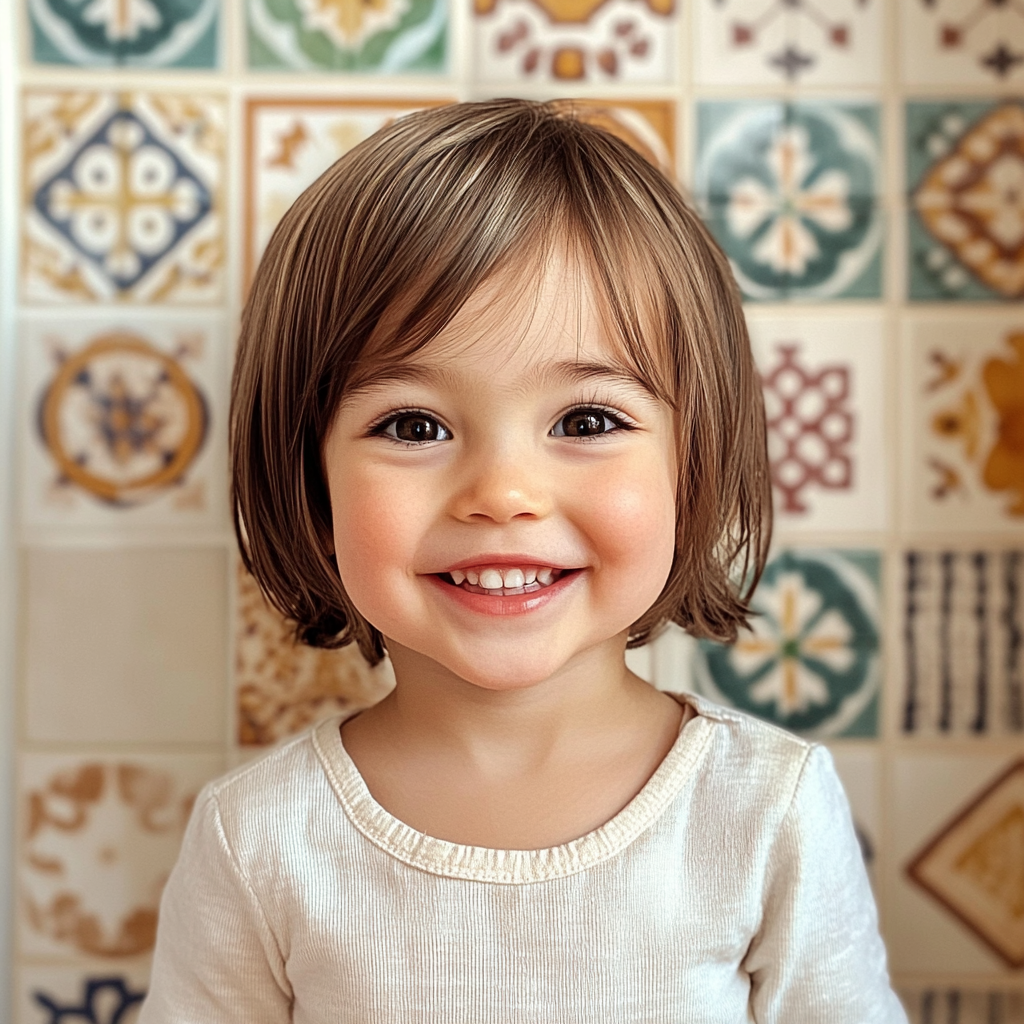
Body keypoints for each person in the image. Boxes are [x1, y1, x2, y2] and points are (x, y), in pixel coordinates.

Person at [140, 98, 907, 1023]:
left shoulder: (768, 812)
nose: (502, 492)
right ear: (309, 477)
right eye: (413, 426)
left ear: (692, 460)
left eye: (587, 422)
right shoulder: (255, 841)